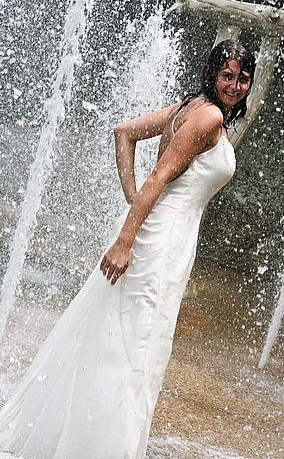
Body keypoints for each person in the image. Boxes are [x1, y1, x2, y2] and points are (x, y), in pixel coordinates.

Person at [0, 39, 255, 459]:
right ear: (213, 74)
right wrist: (124, 239)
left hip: (161, 232)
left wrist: (131, 203)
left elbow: (124, 133)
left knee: (124, 338)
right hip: (162, 242)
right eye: (227, 75)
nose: (235, 85)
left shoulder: (190, 107)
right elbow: (158, 175)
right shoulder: (207, 117)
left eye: (243, 78)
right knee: (139, 346)